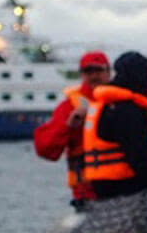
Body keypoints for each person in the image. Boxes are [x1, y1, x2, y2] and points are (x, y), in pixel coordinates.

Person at [80, 51, 147, 199]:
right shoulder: (127, 110)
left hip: (102, 185)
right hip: (123, 185)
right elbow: (141, 162)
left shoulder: (106, 104)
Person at [33, 50, 111, 205]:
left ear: (109, 72)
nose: (94, 76)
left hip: (122, 187)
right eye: (89, 71)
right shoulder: (69, 107)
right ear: (82, 74)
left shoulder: (120, 101)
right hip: (87, 192)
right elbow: (45, 149)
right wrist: (68, 125)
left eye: (99, 70)